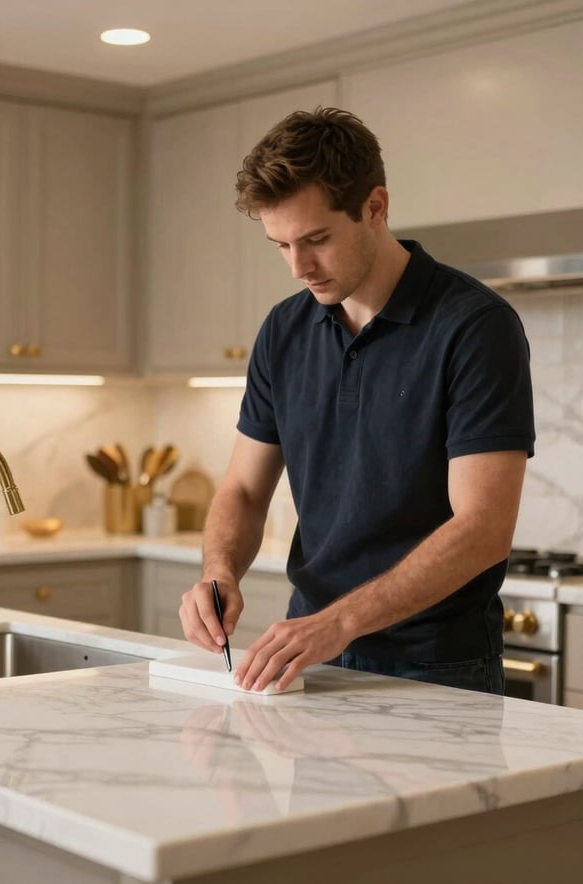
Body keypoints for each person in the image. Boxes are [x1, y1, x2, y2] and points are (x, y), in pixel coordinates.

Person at [178, 107, 535, 695]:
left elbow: (484, 528)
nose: (298, 267)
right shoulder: (283, 331)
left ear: (375, 207)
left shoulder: (474, 327)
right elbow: (243, 489)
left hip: (439, 669)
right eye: (281, 245)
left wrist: (339, 622)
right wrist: (219, 573)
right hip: (313, 661)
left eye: (316, 239)